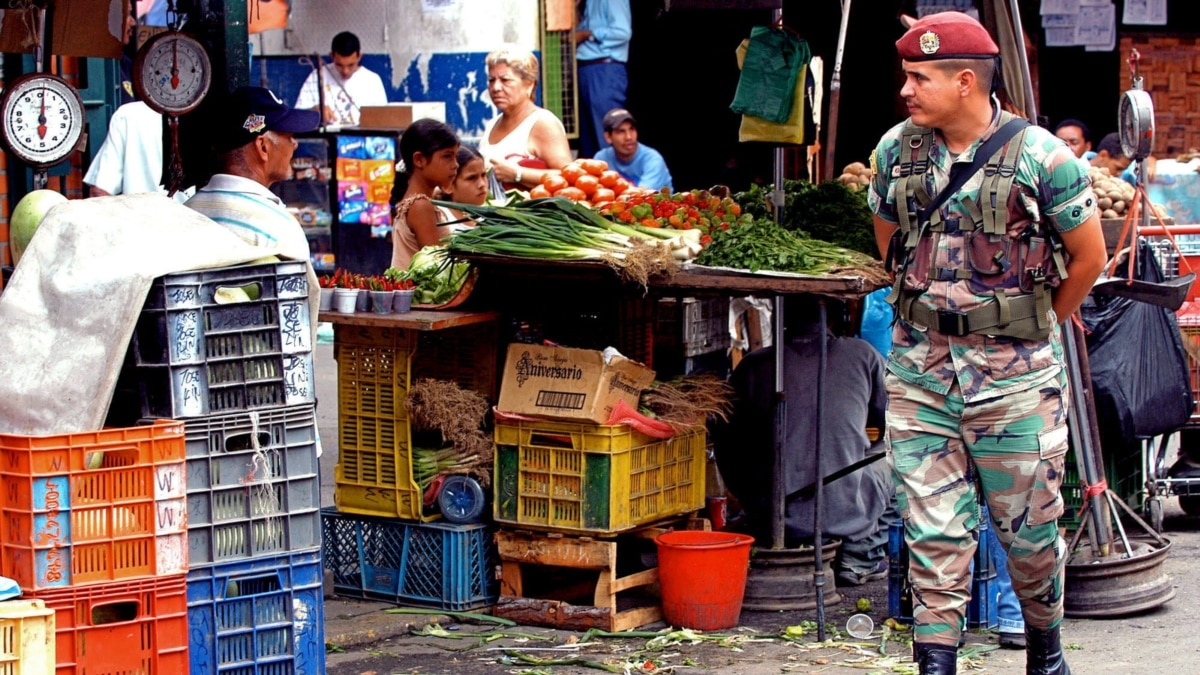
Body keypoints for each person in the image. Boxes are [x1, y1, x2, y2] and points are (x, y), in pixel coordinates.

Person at [868, 11, 1106, 675]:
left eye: (919, 78)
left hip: (1016, 376)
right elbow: (886, 233)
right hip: (922, 372)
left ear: (965, 81)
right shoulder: (895, 150)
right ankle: (936, 662)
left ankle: (1045, 651)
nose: (905, 90)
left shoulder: (1042, 158)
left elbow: (1088, 256)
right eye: (906, 76)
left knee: (1029, 534)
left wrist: (1036, 322)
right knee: (932, 528)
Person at [714, 296, 893, 587]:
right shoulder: (863, 354)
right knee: (899, 457)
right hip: (841, 511)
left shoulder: (752, 365)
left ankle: (850, 548)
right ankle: (860, 556)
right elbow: (890, 420)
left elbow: (727, 440)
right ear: (837, 319)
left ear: (782, 320)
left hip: (769, 510)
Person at [478, 48, 572, 191]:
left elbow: (568, 178)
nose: (496, 87)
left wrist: (518, 174)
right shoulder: (492, 124)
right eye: (491, 80)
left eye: (505, 80)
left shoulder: (543, 123)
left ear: (529, 84)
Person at [389, 118, 460, 271]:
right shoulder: (421, 206)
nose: (455, 165)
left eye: (455, 156)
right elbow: (437, 269)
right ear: (419, 160)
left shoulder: (417, 200)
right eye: (447, 156)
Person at [575, 0, 632, 159]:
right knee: (588, 142)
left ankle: (616, 181)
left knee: (607, 135)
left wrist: (588, 34)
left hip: (605, 69)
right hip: (586, 68)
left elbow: (623, 32)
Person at [295, 31, 388, 127]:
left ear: (359, 57)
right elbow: (296, 117)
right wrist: (314, 111)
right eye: (339, 65)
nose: (345, 71)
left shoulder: (372, 80)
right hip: (327, 140)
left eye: (351, 65)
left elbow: (383, 119)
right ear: (332, 56)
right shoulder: (317, 76)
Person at [594, 108, 673, 192]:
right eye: (621, 131)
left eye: (632, 129)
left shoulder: (653, 159)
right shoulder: (601, 159)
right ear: (608, 137)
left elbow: (641, 196)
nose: (629, 137)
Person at [439, 144, 490, 224]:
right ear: (447, 186)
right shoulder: (441, 219)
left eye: (483, 175)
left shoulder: (488, 217)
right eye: (471, 178)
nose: (482, 184)